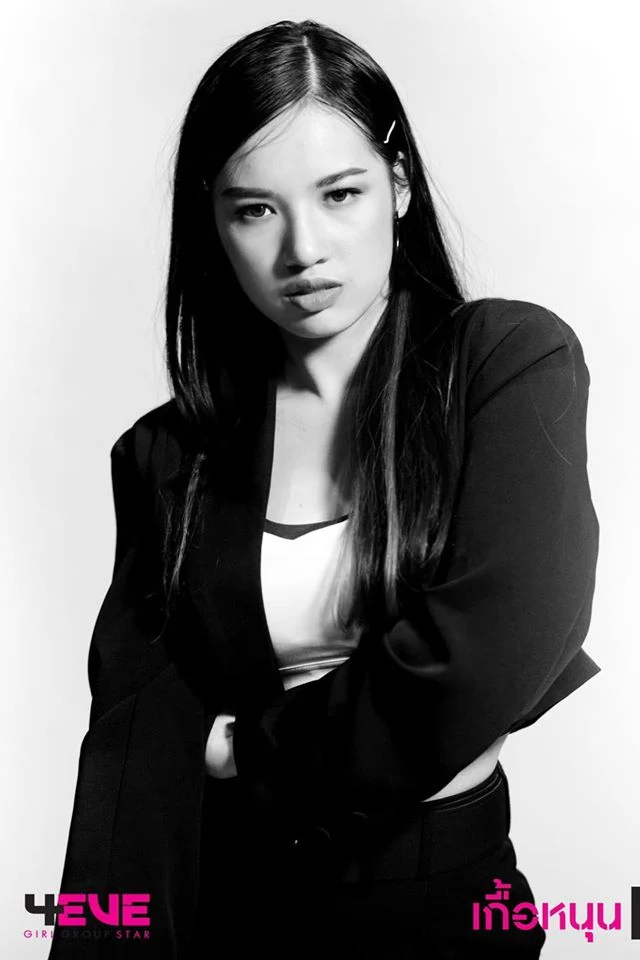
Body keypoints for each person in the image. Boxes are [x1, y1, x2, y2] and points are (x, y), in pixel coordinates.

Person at [49, 18, 601, 959]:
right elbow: (136, 739)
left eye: (340, 193)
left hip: (442, 904)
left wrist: (248, 753)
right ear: (213, 225)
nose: (303, 249)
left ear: (399, 184)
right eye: (254, 210)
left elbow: (490, 655)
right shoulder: (168, 453)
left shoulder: (506, 362)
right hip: (235, 907)